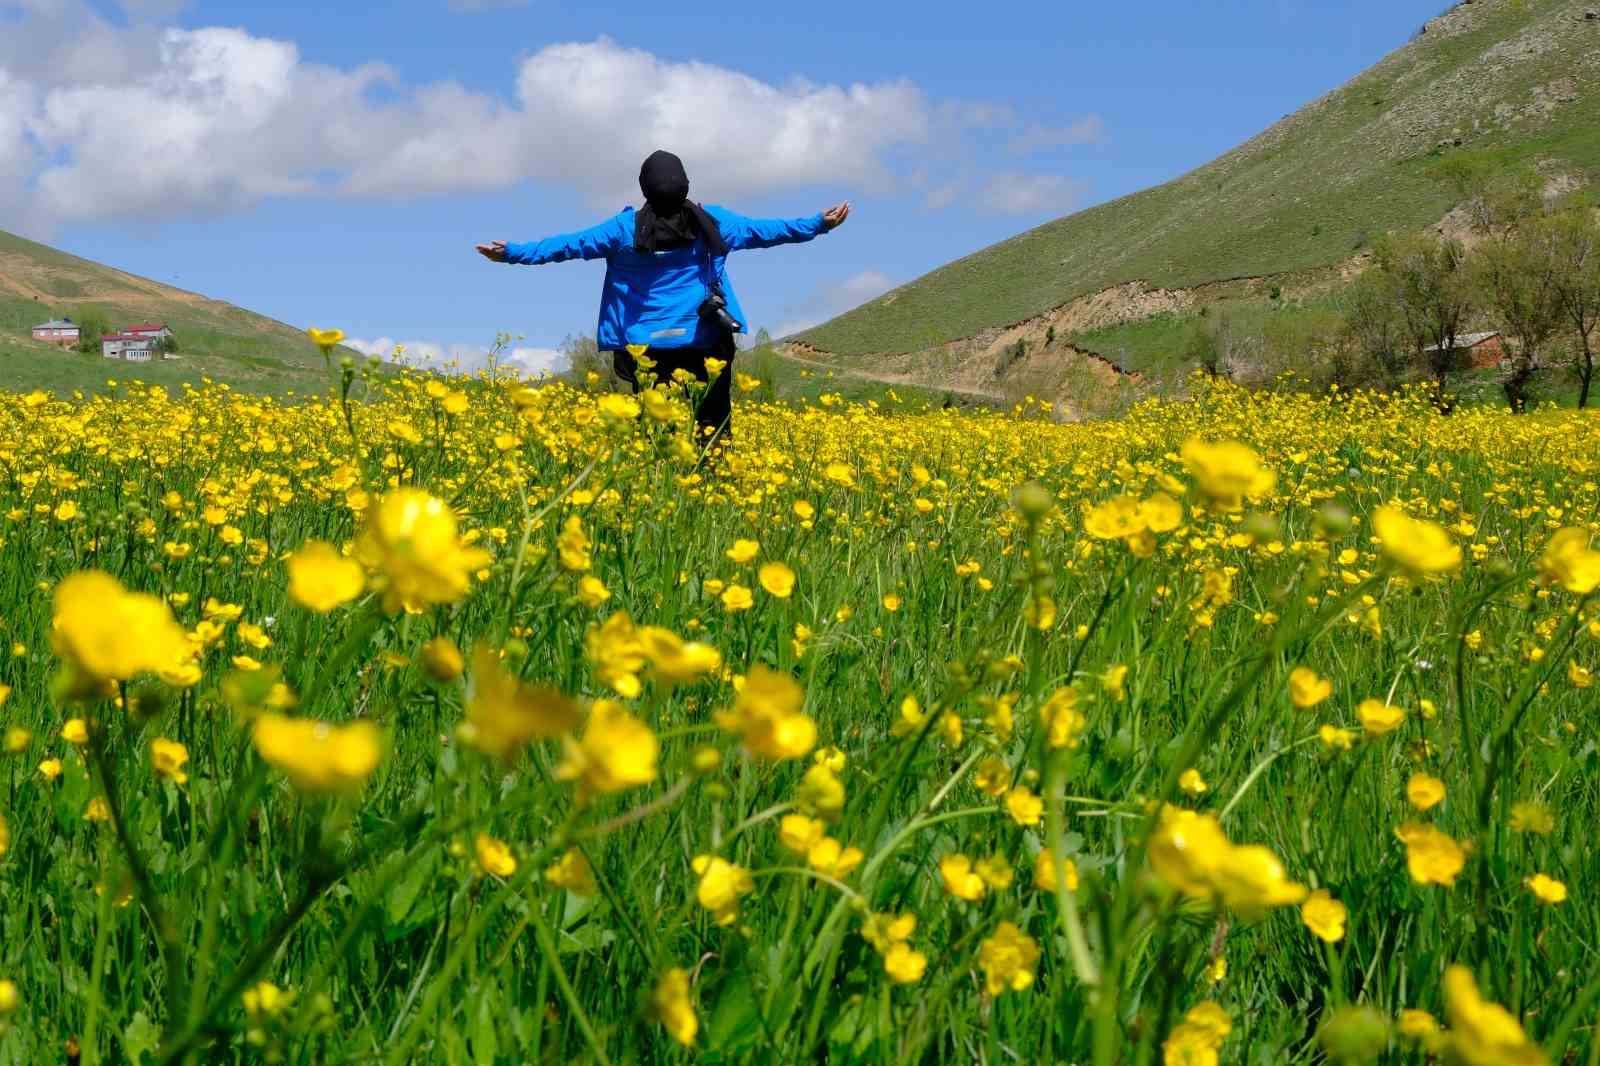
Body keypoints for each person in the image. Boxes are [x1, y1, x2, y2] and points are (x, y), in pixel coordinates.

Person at [477, 150, 850, 447]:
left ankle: (665, 491)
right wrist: (818, 223)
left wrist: (512, 252)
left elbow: (565, 246)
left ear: (644, 188)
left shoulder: (622, 230)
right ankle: (713, 493)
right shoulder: (714, 223)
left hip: (647, 349)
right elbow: (768, 230)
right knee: (713, 426)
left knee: (657, 435)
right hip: (707, 342)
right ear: (686, 184)